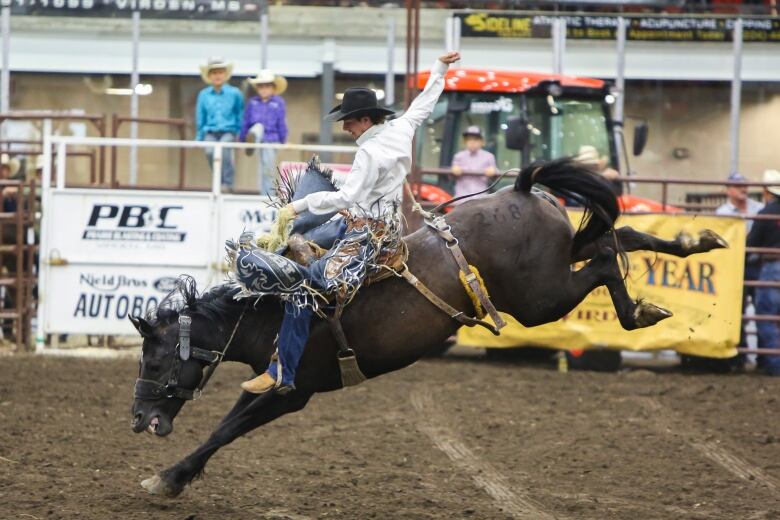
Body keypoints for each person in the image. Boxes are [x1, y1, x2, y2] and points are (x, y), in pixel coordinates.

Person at [239, 50, 462, 394]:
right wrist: (440, 67)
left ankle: (283, 369)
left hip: (368, 236)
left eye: (349, 120)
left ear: (365, 120)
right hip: (377, 224)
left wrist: (299, 206)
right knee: (301, 246)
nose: (345, 126)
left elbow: (346, 196)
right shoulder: (402, 127)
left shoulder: (368, 153)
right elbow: (427, 100)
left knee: (304, 289)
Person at [746, 168, 780, 377]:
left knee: (766, 316)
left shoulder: (765, 214)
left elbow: (751, 244)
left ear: (767, 191)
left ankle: (775, 363)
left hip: (771, 267)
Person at [195, 57, 244, 192]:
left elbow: (239, 113)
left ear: (225, 75)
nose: (217, 76)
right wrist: (199, 137)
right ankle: (219, 180)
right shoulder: (203, 95)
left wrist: (240, 133)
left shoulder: (235, 93)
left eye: (220, 72)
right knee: (210, 151)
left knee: (225, 151)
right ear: (209, 76)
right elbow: (200, 116)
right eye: (214, 73)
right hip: (210, 131)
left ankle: (227, 183)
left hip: (229, 130)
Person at [239, 70, 289, 195]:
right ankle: (252, 141)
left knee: (266, 168)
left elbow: (281, 122)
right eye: (261, 86)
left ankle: (267, 195)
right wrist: (242, 138)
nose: (264, 89)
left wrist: (283, 139)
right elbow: (246, 120)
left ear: (273, 88)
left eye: (267, 86)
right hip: (256, 135)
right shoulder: (252, 102)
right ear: (257, 88)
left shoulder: (278, 102)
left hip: (271, 138)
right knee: (258, 127)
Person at [450, 126, 496, 200]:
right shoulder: (458, 156)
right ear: (465, 142)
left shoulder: (489, 157)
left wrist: (493, 171)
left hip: (481, 198)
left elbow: (494, 175)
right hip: (461, 199)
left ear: (482, 142)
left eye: (476, 139)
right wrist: (454, 169)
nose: (472, 142)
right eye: (469, 139)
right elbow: (452, 173)